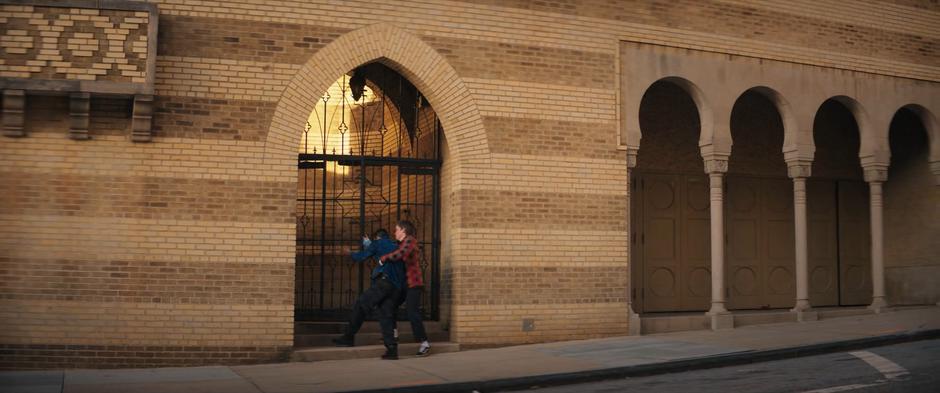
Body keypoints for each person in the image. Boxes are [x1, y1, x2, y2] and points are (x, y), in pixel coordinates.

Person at [332, 229, 406, 360]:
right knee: (386, 315)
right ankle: (392, 350)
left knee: (362, 304)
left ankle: (348, 337)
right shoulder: (395, 246)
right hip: (396, 288)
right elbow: (378, 252)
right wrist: (369, 243)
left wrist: (350, 253)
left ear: (377, 237)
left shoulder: (377, 244)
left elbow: (363, 256)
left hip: (384, 283)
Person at [380, 220, 431, 357]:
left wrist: (384, 258)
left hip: (413, 284)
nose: (394, 232)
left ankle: (424, 343)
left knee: (412, 312)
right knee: (390, 306)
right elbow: (392, 249)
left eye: (396, 229)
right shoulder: (400, 243)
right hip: (403, 284)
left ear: (403, 230)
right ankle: (394, 334)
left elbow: (400, 254)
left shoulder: (410, 241)